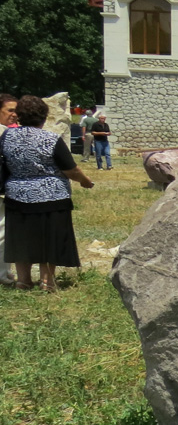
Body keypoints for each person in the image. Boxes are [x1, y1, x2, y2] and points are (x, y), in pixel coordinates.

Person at [1, 95, 94, 291]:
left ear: (19, 116)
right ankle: (47, 281)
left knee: (21, 238)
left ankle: (23, 280)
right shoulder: (51, 139)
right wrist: (85, 181)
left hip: (17, 195)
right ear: (44, 117)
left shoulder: (7, 136)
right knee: (49, 239)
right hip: (51, 197)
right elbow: (70, 169)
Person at [0, 93, 17, 285]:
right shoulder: (4, 132)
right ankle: (2, 274)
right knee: (2, 230)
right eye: (10, 110)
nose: (14, 114)